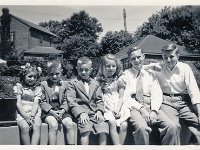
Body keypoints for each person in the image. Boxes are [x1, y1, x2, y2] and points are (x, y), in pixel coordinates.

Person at [120, 46, 179, 145]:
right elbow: (126, 98)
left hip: (151, 104)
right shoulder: (126, 75)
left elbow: (157, 94)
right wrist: (142, 109)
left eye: (139, 57)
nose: (137, 60)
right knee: (142, 128)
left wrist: (154, 111)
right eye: (133, 59)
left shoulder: (150, 74)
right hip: (135, 106)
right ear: (129, 60)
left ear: (143, 56)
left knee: (172, 126)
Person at [145, 43, 200, 144]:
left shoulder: (185, 68)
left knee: (197, 121)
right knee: (174, 126)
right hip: (166, 102)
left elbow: (193, 91)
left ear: (178, 56)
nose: (168, 60)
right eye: (165, 57)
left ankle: (193, 141)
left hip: (182, 101)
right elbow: (137, 68)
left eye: (171, 56)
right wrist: (151, 65)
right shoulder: (159, 67)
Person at [66, 56, 109, 145]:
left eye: (86, 70)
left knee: (103, 128)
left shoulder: (95, 83)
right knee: (86, 130)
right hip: (82, 114)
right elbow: (72, 101)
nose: (83, 72)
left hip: (94, 113)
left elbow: (99, 100)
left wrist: (99, 111)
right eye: (81, 70)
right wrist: (80, 113)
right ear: (77, 69)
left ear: (91, 70)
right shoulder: (72, 83)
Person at [39, 60, 76, 145]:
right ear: (47, 73)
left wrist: (62, 110)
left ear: (61, 72)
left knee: (69, 124)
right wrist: (51, 111)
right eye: (51, 74)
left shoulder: (65, 84)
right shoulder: (44, 84)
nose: (54, 76)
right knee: (53, 125)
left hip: (62, 109)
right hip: (49, 110)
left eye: (57, 74)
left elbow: (67, 99)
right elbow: (42, 101)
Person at [96, 54, 130, 145]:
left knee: (124, 125)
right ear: (103, 67)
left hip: (119, 105)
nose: (111, 68)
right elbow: (99, 96)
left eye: (113, 66)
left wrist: (118, 110)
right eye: (108, 66)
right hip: (107, 106)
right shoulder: (100, 80)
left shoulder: (119, 79)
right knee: (112, 122)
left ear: (117, 66)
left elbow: (121, 97)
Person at [15, 62, 42, 145]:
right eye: (30, 76)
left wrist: (32, 116)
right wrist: (25, 116)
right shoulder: (19, 87)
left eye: (35, 77)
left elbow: (36, 104)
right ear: (24, 76)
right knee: (25, 127)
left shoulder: (37, 88)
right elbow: (18, 103)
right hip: (22, 112)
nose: (32, 79)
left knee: (37, 125)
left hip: (34, 112)